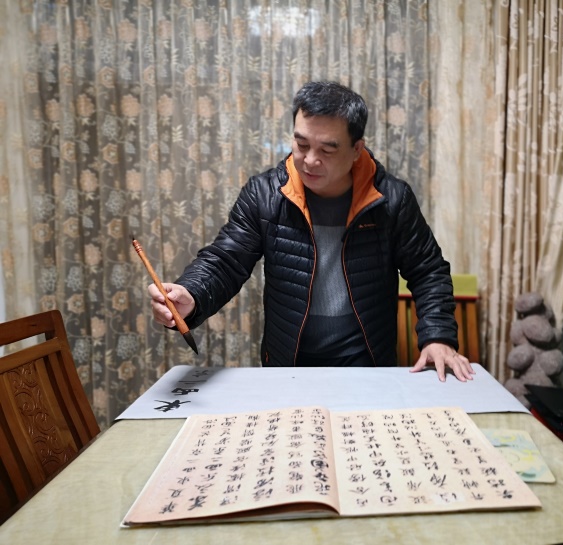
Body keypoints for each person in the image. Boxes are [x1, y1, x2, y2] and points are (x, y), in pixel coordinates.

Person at [148, 81, 473, 382]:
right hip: (289, 363)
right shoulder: (265, 195)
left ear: (357, 149)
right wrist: (191, 294)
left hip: (367, 364)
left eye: (327, 150)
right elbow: (226, 260)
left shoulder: (391, 200)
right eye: (301, 144)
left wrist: (438, 337)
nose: (310, 160)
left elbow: (428, 271)